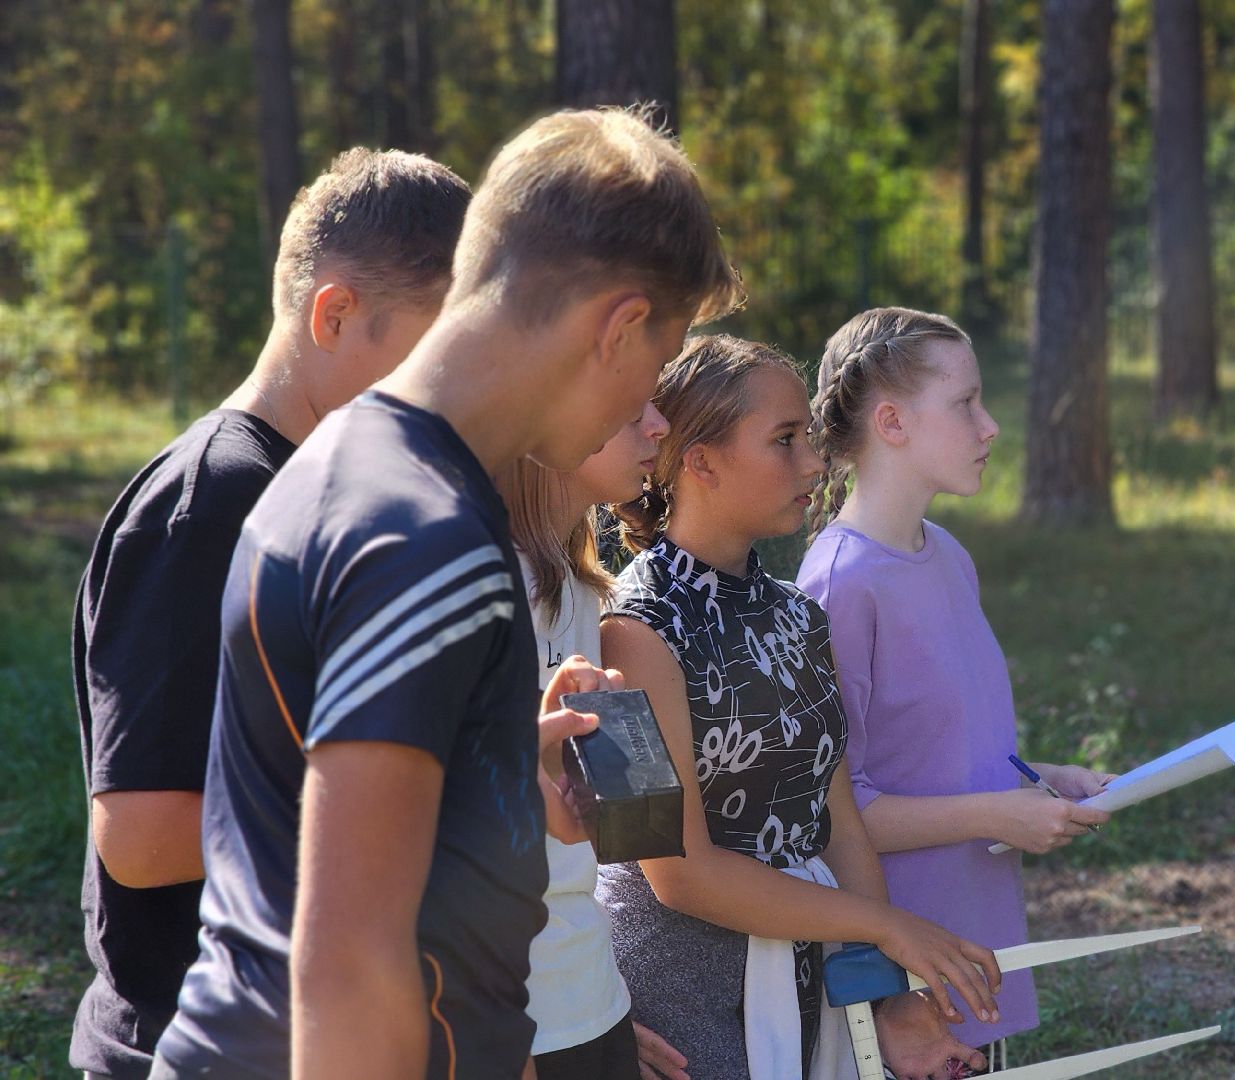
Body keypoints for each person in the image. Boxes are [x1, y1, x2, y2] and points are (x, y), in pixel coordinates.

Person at [150, 107, 743, 1078]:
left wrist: (502, 770)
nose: (652, 417)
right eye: (658, 367)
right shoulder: (424, 535)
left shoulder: (356, 462)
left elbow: (323, 811)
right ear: (620, 325)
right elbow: (347, 960)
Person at [70, 148, 471, 1079]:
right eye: (435, 350)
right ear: (333, 314)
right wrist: (413, 791)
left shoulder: (326, 485)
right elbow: (140, 837)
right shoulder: (209, 505)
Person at [597, 335, 1001, 1080]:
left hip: (811, 998)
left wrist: (890, 1000)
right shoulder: (625, 631)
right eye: (784, 441)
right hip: (674, 1015)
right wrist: (885, 926)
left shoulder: (798, 616)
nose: (815, 464)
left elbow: (840, 822)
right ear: (700, 460)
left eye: (808, 441)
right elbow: (672, 872)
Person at [796, 307, 1114, 1065]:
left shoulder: (949, 555)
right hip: (904, 967)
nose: (990, 425)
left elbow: (938, 750)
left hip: (978, 936)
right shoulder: (840, 586)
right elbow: (837, 813)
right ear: (893, 423)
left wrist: (1040, 782)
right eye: (966, 403)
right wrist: (996, 812)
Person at [502, 427, 688, 1080]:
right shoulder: (487, 589)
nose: (655, 423)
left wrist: (603, 1001)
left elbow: (637, 821)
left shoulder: (589, 594)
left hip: (589, 1003)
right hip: (514, 1020)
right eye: (629, 404)